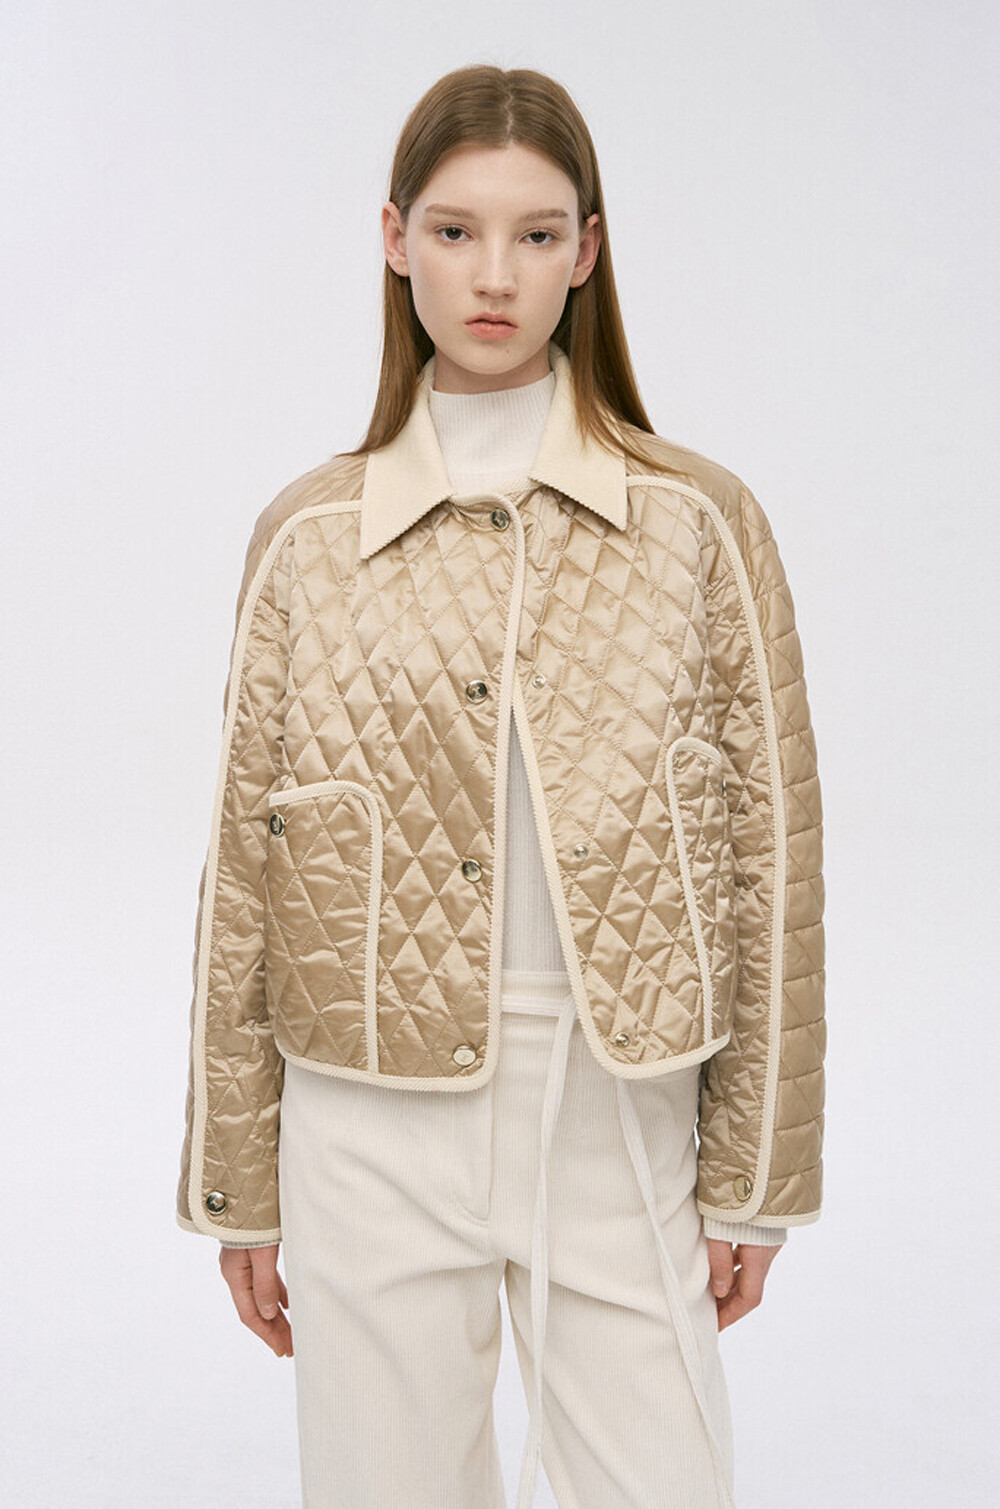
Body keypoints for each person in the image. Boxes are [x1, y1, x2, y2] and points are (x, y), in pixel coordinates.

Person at [175, 63, 826, 1509]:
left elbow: (773, 857)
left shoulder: (698, 525)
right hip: (364, 1121)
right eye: (456, 231)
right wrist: (240, 1181)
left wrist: (757, 1175)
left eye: (536, 235)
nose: (494, 275)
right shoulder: (308, 538)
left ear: (587, 253)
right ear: (394, 239)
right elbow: (243, 882)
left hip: (616, 1104)